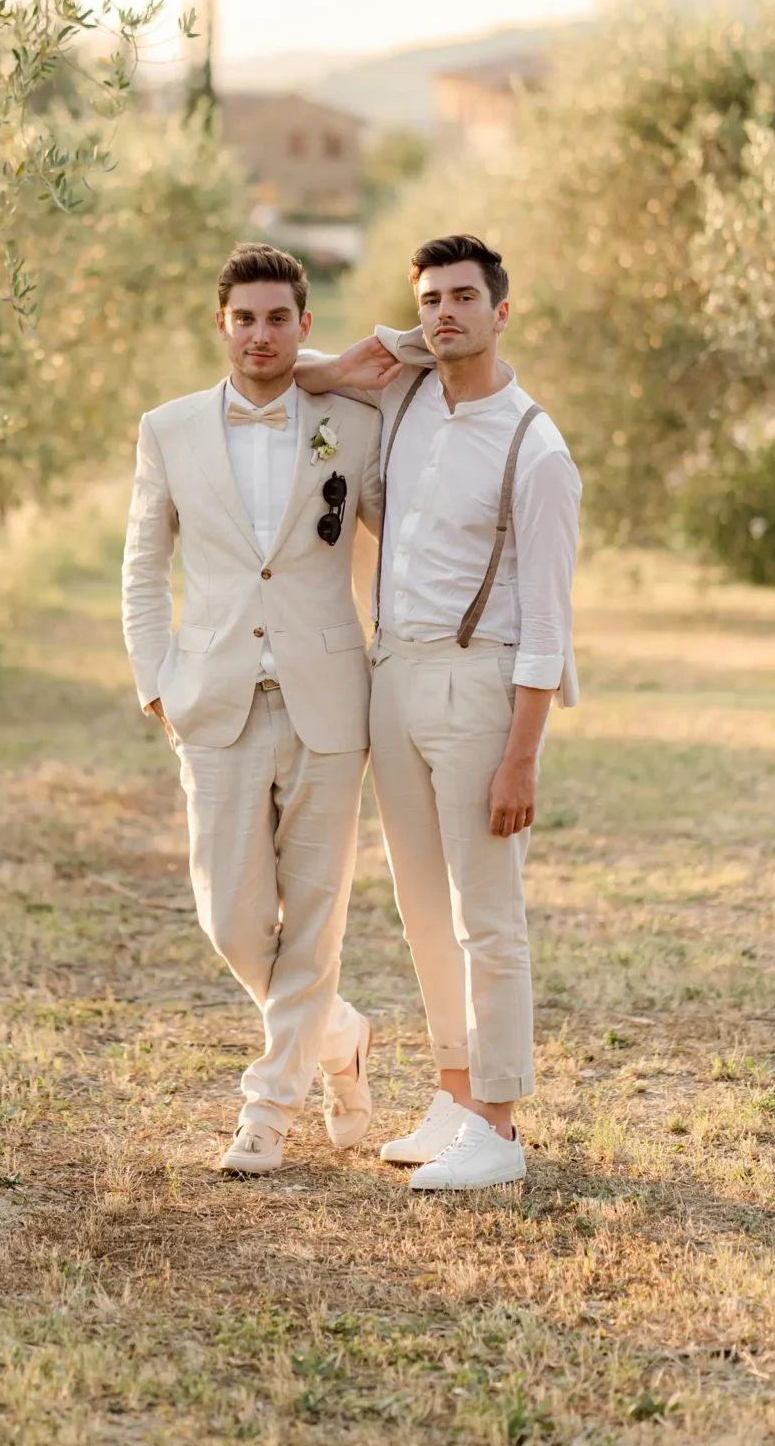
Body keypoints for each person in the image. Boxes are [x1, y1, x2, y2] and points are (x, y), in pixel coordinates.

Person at [296, 233, 581, 1191]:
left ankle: (498, 1127)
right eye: (429, 301)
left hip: (481, 683)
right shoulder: (406, 395)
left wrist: (522, 756)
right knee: (423, 908)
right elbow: (283, 365)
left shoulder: (537, 448)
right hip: (394, 676)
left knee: (487, 917)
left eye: (463, 297)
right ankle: (455, 1095)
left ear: (503, 312)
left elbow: (548, 622)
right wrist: (385, 348)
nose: (445, 313)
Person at [121, 244, 383, 1176]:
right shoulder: (170, 429)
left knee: (316, 918)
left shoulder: (352, 420)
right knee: (232, 920)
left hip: (328, 699)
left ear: (305, 326)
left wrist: (339, 368)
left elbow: (430, 347)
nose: (262, 335)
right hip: (215, 700)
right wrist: (156, 678)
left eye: (280, 319)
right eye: (246, 318)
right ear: (220, 323)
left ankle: (266, 1112)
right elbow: (143, 565)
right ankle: (337, 1034)